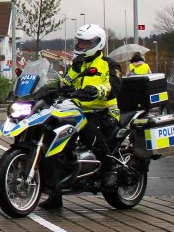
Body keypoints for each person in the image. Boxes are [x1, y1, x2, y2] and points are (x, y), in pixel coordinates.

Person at [45, 23, 121, 208]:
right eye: (79, 43)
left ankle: (110, 168)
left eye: (86, 44)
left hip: (104, 111)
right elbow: (66, 81)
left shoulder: (109, 64)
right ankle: (55, 193)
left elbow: (114, 86)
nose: (81, 47)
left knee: (88, 130)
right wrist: (51, 87)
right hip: (78, 110)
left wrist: (97, 90)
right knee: (55, 140)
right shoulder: (77, 64)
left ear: (98, 43)